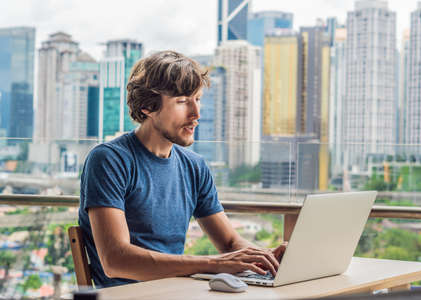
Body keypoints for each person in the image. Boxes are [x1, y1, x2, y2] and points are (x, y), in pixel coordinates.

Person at [78, 50, 287, 288]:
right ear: (148, 106)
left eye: (197, 99)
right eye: (182, 102)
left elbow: (230, 243)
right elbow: (116, 261)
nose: (196, 114)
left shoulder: (194, 166)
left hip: (176, 291)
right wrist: (214, 263)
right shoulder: (109, 160)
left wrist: (269, 258)